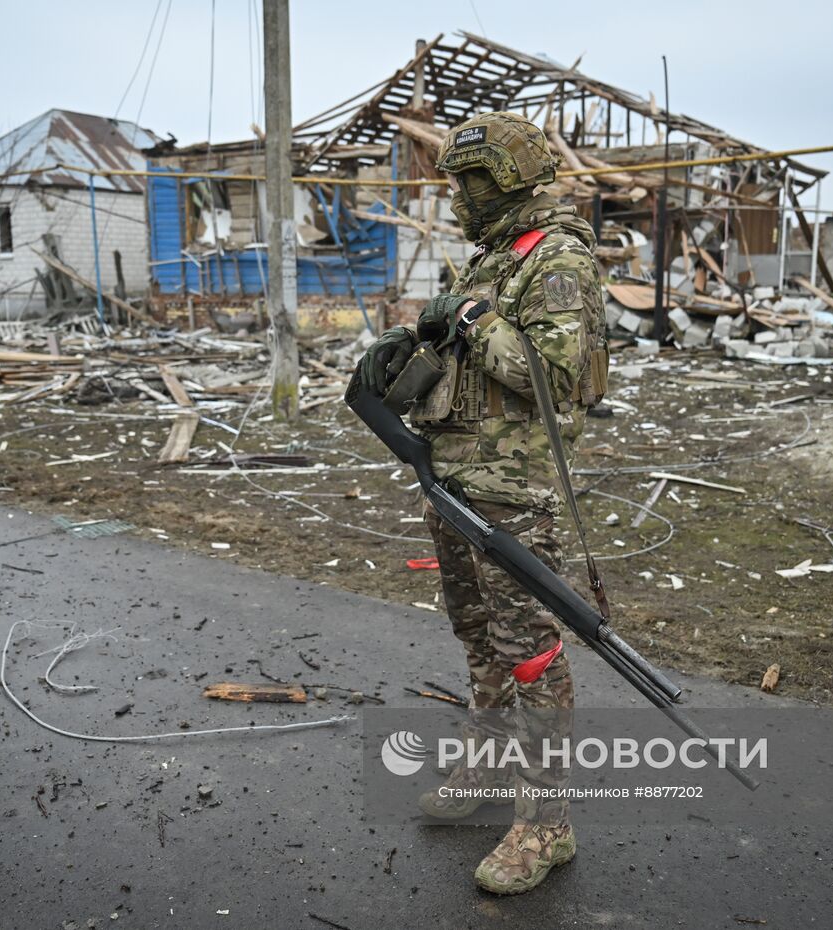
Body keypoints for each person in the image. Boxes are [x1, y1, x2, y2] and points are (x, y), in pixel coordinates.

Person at [358, 111, 609, 895]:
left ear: (505, 180)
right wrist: (407, 350)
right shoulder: (492, 261)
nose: (458, 199)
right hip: (453, 478)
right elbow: (462, 358)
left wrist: (467, 316)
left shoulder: (557, 258)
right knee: (477, 636)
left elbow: (554, 376)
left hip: (511, 492)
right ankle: (488, 762)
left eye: (467, 182)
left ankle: (547, 824)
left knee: (530, 651)